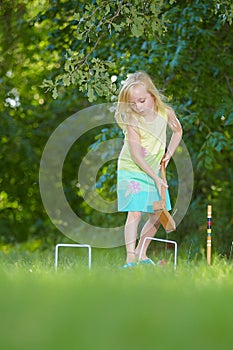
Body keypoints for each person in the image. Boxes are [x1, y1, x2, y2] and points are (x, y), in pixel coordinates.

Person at [115, 71, 182, 268]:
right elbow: (136, 155)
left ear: (152, 95)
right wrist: (156, 177)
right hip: (132, 170)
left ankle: (141, 255)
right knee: (134, 213)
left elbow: (178, 131)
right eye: (133, 103)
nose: (138, 106)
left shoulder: (166, 113)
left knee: (157, 215)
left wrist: (168, 154)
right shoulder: (133, 120)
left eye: (142, 100)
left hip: (154, 170)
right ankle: (130, 260)